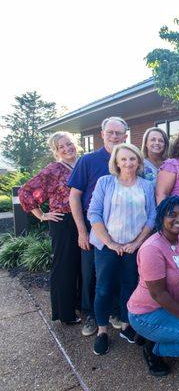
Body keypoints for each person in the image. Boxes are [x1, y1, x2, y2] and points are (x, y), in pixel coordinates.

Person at [128, 196, 179, 377]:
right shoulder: (152, 249)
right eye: (172, 214)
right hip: (146, 311)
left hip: (172, 303)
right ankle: (152, 349)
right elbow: (158, 295)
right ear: (161, 217)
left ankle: (152, 335)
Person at [87, 144, 156, 355]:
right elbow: (94, 213)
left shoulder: (146, 185)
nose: (128, 163)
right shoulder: (105, 182)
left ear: (138, 162)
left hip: (134, 246)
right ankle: (102, 331)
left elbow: (152, 215)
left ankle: (126, 326)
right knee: (104, 288)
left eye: (132, 159)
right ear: (116, 162)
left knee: (130, 285)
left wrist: (136, 243)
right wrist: (110, 243)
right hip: (107, 246)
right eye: (124, 159)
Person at [68, 116, 128, 337]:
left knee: (116, 274)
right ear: (102, 134)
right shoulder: (89, 161)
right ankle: (91, 315)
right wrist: (82, 231)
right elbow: (74, 197)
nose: (114, 136)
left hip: (122, 229)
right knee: (91, 274)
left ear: (125, 136)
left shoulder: (129, 159)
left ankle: (112, 312)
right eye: (110, 132)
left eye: (118, 133)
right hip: (94, 228)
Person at [19, 132, 81, 324]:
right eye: (61, 147)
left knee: (81, 267)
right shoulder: (54, 169)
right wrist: (42, 215)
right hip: (63, 221)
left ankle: (80, 304)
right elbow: (26, 191)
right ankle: (66, 313)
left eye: (69, 144)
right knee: (65, 266)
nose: (67, 148)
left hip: (85, 220)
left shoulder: (82, 163)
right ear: (56, 151)